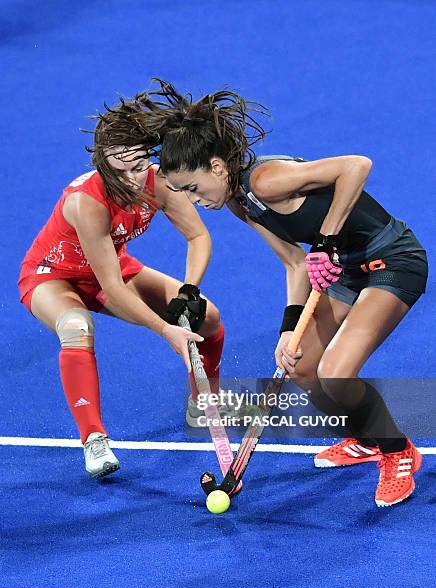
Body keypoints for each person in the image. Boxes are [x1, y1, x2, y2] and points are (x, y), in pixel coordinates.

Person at [139, 79, 428, 507]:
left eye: (193, 189)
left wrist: (326, 241)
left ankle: (398, 450)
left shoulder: (267, 180)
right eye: (183, 193)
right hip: (345, 269)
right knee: (303, 365)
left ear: (217, 168)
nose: (192, 200)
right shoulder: (241, 203)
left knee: (336, 373)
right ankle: (367, 437)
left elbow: (356, 166)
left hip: (393, 261)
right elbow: (295, 262)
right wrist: (289, 330)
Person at [18, 94, 227, 479]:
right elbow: (112, 290)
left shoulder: (158, 181)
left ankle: (204, 397)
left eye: (138, 166)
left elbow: (198, 237)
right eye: (122, 171)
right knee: (77, 327)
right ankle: (94, 439)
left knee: (209, 319)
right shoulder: (87, 202)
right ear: (103, 164)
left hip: (112, 266)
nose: (133, 179)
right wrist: (166, 329)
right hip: (54, 275)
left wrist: (188, 294)